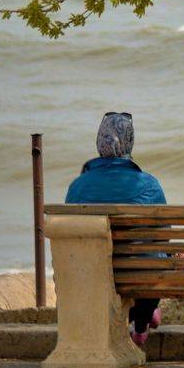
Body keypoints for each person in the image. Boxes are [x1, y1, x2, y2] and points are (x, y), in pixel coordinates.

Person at [65, 112, 167, 346]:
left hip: (92, 278)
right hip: (141, 282)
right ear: (129, 140)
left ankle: (140, 319)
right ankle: (141, 324)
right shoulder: (149, 184)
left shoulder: (78, 186)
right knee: (156, 255)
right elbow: (164, 233)